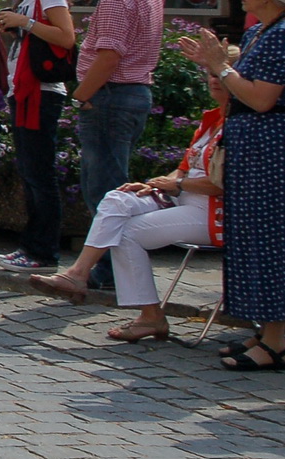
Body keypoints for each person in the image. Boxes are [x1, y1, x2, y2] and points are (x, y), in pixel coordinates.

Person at [30, 53, 232, 341]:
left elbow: (224, 184)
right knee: (117, 198)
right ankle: (78, 272)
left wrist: (181, 183)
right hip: (183, 197)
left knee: (127, 233)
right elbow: (185, 167)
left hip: (213, 213)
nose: (214, 81)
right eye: (210, 75)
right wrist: (161, 182)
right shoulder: (211, 119)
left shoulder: (239, 125)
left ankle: (149, 315)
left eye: (219, 75)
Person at [177, 0, 285, 371]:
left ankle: (277, 340)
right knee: (248, 237)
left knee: (269, 240)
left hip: (273, 149)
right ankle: (264, 331)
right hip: (251, 148)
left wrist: (219, 67)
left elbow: (262, 99)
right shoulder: (258, 34)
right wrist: (212, 65)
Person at [70, 0, 166, 293]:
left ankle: (109, 273)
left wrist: (81, 94)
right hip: (134, 93)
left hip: (110, 96)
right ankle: (112, 271)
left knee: (105, 191)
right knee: (113, 185)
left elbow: (109, 56)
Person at [0, 0, 76, 272]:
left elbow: (66, 36)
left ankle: (44, 250)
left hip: (41, 93)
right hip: (24, 90)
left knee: (39, 174)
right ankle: (31, 244)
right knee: (29, 171)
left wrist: (24, 22)